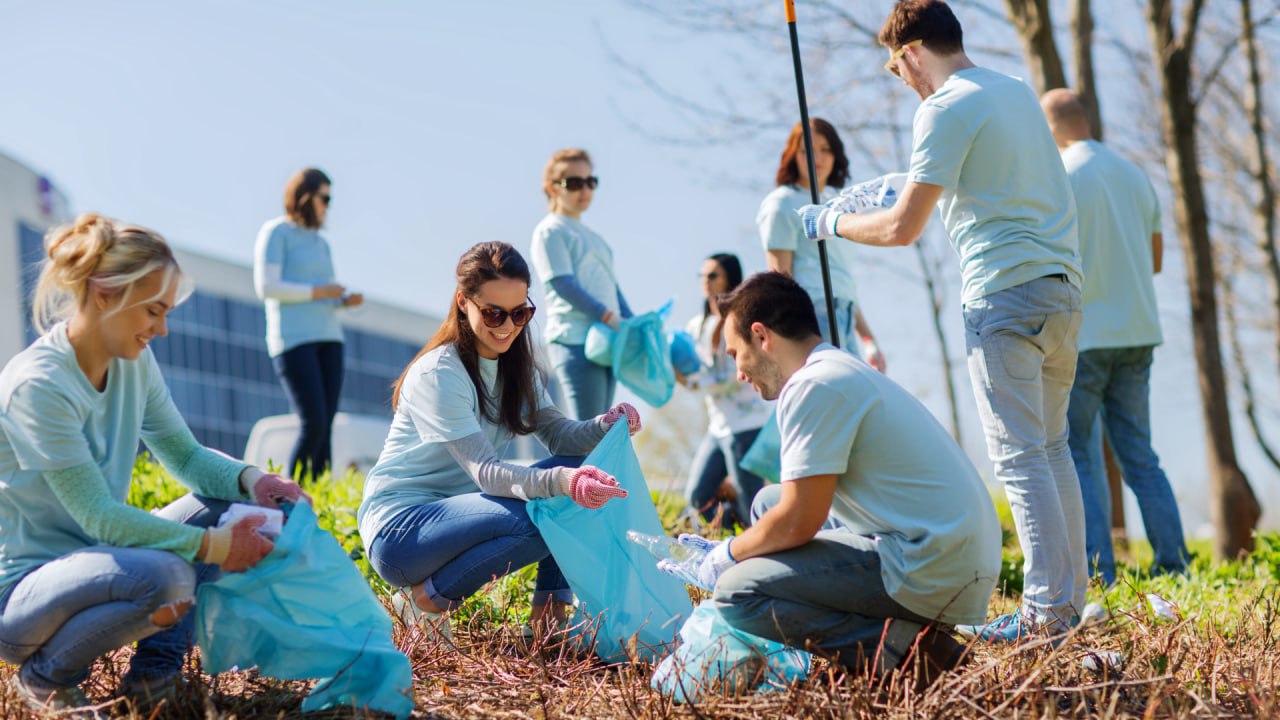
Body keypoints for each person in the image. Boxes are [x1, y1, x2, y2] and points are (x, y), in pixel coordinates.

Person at [798, 0, 1085, 640]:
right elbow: (987, 177)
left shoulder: (943, 106)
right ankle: (1067, 607)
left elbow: (903, 230)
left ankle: (1043, 616)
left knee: (1019, 457)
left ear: (912, 52)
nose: (901, 81)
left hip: (1003, 296)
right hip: (1062, 292)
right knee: (1054, 449)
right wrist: (901, 178)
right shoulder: (1012, 91)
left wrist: (831, 223)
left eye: (895, 67)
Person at [0, 215, 310, 714]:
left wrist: (255, 481)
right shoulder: (39, 385)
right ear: (104, 294)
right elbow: (99, 516)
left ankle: (153, 682)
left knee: (244, 507)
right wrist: (214, 545)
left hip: (103, 559)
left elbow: (184, 456)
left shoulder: (133, 360)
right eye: (153, 311)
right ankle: (46, 680)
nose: (162, 329)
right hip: (23, 592)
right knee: (168, 577)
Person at [660, 272, 1000, 686]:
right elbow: (788, 510)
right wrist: (746, 548)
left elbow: (798, 521)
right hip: (947, 550)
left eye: (735, 354)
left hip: (932, 564)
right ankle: (896, 635)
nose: (739, 374)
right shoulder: (836, 369)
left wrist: (728, 554)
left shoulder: (814, 386)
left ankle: (910, 651)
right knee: (767, 502)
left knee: (738, 592)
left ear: (761, 336)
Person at [358, 241, 640, 641]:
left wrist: (604, 425)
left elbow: (561, 436)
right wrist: (562, 484)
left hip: (462, 517)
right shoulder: (440, 374)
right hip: (402, 533)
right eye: (493, 313)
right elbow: (487, 473)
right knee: (546, 515)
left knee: (580, 471)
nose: (508, 326)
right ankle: (424, 601)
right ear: (463, 301)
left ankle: (548, 621)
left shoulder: (517, 369)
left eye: (520, 312)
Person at [1041, 89, 1189, 586]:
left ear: (1054, 125)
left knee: (1078, 452)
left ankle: (1100, 572)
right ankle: (1175, 565)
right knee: (1139, 455)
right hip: (1139, 332)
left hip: (1085, 336)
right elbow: (1156, 261)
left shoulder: (1059, 177)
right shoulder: (1135, 174)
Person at [253, 167, 363, 480]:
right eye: (324, 198)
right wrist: (320, 291)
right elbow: (267, 287)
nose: (327, 205)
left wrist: (341, 300)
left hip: (329, 337)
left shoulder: (321, 244)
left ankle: (319, 497)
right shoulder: (276, 233)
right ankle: (292, 495)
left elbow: (324, 293)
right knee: (312, 421)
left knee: (326, 423)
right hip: (293, 340)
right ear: (305, 197)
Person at [756, 118, 884, 369]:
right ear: (793, 155)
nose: (819, 158)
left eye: (826, 149)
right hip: (812, 314)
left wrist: (868, 338)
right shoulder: (782, 203)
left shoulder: (839, 206)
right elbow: (780, 280)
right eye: (807, 150)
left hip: (844, 314)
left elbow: (842, 280)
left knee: (854, 397)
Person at [530, 149, 633, 420]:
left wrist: (631, 322)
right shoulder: (550, 230)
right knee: (588, 433)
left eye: (590, 182)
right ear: (553, 187)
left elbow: (612, 288)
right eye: (574, 183)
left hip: (607, 341)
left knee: (601, 432)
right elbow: (562, 283)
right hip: (574, 340)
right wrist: (608, 316)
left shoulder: (596, 238)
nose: (585, 189)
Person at [680, 253, 772, 527]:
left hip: (746, 424)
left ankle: (762, 546)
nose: (705, 282)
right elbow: (692, 367)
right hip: (717, 427)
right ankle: (742, 536)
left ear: (729, 278)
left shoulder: (742, 319)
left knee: (751, 502)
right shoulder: (697, 325)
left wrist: (695, 383)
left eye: (713, 276)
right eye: (702, 276)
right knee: (697, 498)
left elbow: (737, 373)